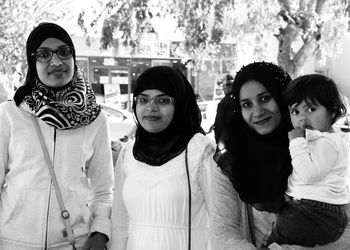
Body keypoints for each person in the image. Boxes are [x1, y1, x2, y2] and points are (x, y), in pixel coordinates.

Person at [211, 61, 350, 249]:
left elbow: (344, 229)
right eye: (246, 104)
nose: (257, 112)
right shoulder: (230, 161)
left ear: (282, 98)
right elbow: (223, 237)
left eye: (265, 98)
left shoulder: (317, 147)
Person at [0, 22, 114, 249]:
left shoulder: (95, 120)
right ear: (32, 62)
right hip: (12, 242)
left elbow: (103, 189)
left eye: (64, 52)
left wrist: (100, 231)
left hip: (73, 242)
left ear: (73, 57)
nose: (56, 62)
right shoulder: (9, 114)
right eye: (43, 54)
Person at [110, 65, 216, 250]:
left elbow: (221, 222)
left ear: (180, 104)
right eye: (143, 99)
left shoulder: (202, 151)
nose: (151, 107)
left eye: (163, 100)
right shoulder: (128, 153)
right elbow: (119, 222)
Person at [263, 74, 350, 247]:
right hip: (317, 211)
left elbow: (308, 175)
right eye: (295, 111)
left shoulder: (326, 142)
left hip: (320, 212)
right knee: (282, 226)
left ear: (332, 111)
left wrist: (296, 142)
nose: (302, 118)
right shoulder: (321, 139)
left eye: (311, 109)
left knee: (284, 227)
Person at [214, 74, 234, 142]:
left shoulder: (223, 104)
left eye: (224, 87)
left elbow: (219, 126)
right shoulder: (242, 100)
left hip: (229, 143)